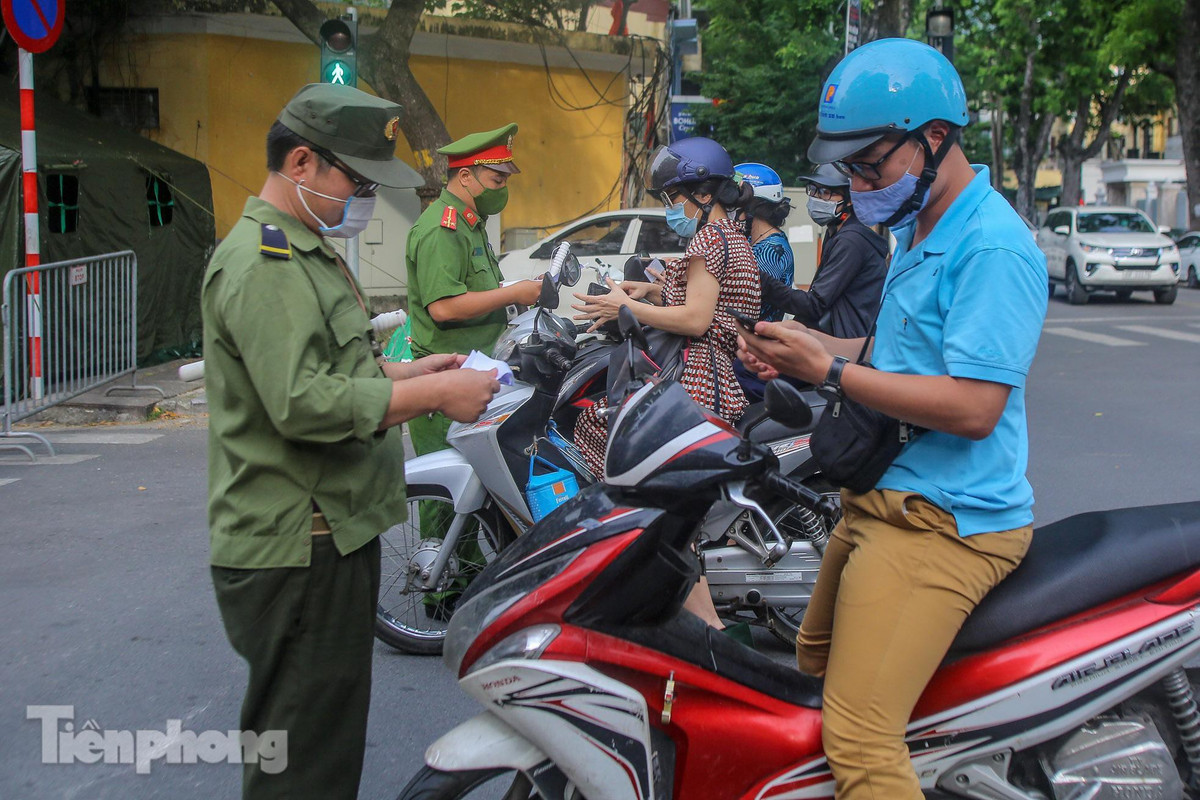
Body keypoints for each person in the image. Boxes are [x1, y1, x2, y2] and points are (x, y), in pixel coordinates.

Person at [737, 39, 1048, 800]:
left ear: (934, 138)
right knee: (808, 663)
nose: (858, 183)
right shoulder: (914, 229)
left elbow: (975, 407)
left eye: (870, 165)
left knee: (858, 737)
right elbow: (891, 354)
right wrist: (810, 349)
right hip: (879, 499)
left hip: (945, 520)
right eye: (851, 169)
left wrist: (833, 372)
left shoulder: (992, 245)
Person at [202, 83, 501, 800]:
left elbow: (330, 365)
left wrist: (410, 368)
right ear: (301, 163)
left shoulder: (303, 248)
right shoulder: (263, 263)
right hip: (297, 543)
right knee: (306, 762)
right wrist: (434, 395)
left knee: (320, 741)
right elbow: (301, 402)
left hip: (326, 533)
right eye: (357, 181)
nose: (363, 197)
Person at [572, 136, 760, 641]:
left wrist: (624, 310)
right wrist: (650, 290)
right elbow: (709, 300)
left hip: (698, 377)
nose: (672, 208)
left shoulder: (706, 241)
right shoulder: (731, 238)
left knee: (643, 477)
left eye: (674, 197)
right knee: (672, 500)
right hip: (715, 375)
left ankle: (706, 627)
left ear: (701, 194)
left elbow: (698, 318)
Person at [405, 123, 543, 460]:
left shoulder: (471, 223)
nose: (502, 190)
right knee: (448, 502)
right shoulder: (443, 228)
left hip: (476, 372)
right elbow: (444, 308)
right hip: (446, 381)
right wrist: (514, 294)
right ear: (466, 177)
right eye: (497, 181)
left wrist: (517, 290)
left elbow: (478, 289)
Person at [768, 163, 888, 339]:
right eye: (813, 190)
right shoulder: (836, 232)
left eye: (826, 193)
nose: (817, 198)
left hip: (848, 345)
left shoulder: (851, 240)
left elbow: (815, 304)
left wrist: (763, 282)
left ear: (849, 199)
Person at [733, 162, 794, 322]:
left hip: (757, 341)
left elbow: (742, 301)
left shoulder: (773, 249)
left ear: (751, 205)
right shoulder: (751, 239)